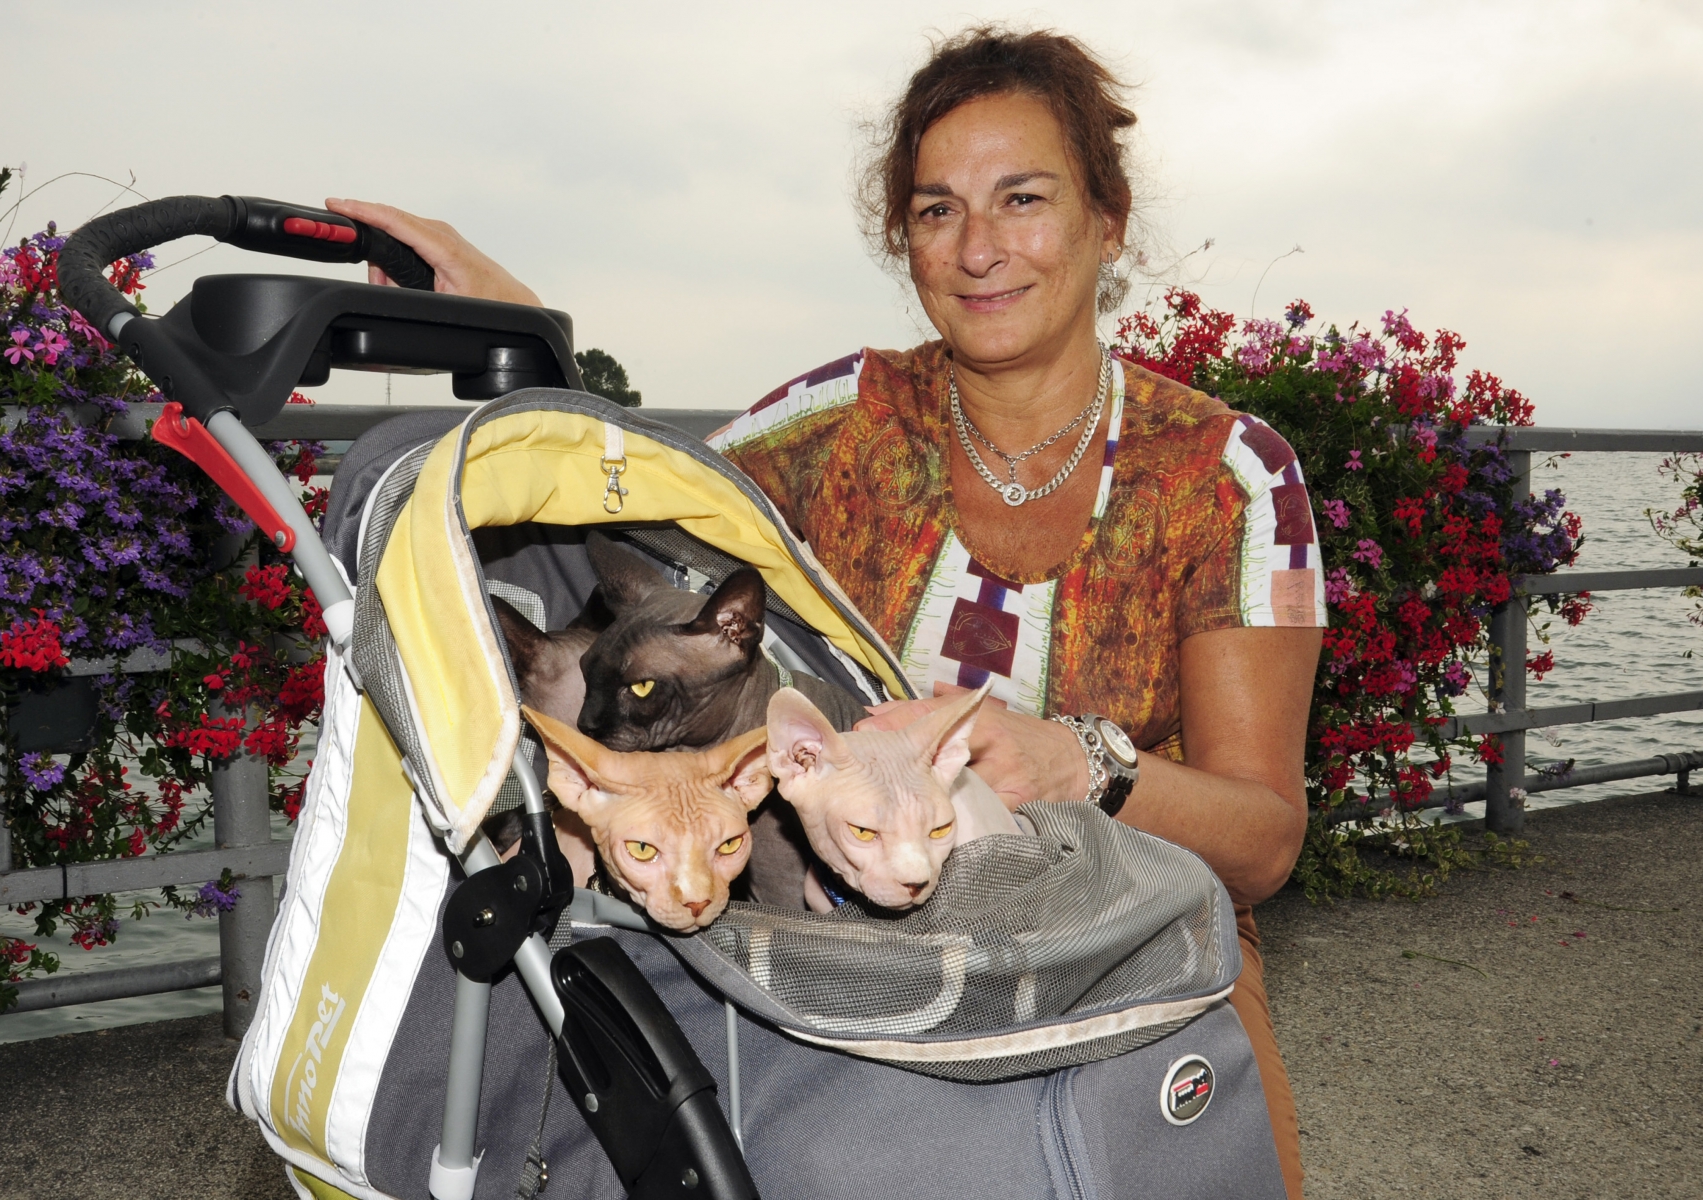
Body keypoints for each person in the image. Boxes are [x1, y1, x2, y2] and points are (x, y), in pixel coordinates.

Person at [328, 26, 1323, 1198]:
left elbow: (1263, 844)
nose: (980, 248)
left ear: (1107, 220)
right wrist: (537, 346)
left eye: (1024, 199)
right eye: (938, 210)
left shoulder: (1224, 475)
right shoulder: (843, 421)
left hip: (1127, 944)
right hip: (848, 944)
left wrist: (1082, 767)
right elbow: (646, 512)